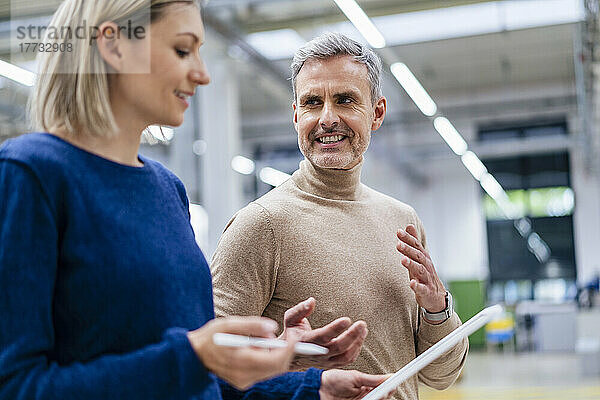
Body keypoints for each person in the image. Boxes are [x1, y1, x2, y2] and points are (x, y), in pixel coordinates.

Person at [0, 2, 393, 399]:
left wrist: (307, 383)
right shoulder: (31, 175)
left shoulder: (166, 190)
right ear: (115, 47)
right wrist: (195, 358)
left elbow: (200, 377)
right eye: (183, 50)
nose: (202, 74)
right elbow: (16, 386)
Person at [211, 32, 469, 399]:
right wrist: (285, 360)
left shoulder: (402, 219)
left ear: (377, 112)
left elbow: (441, 376)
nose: (327, 118)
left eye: (345, 100)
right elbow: (212, 370)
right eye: (313, 102)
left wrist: (436, 309)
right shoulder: (262, 224)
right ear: (296, 114)